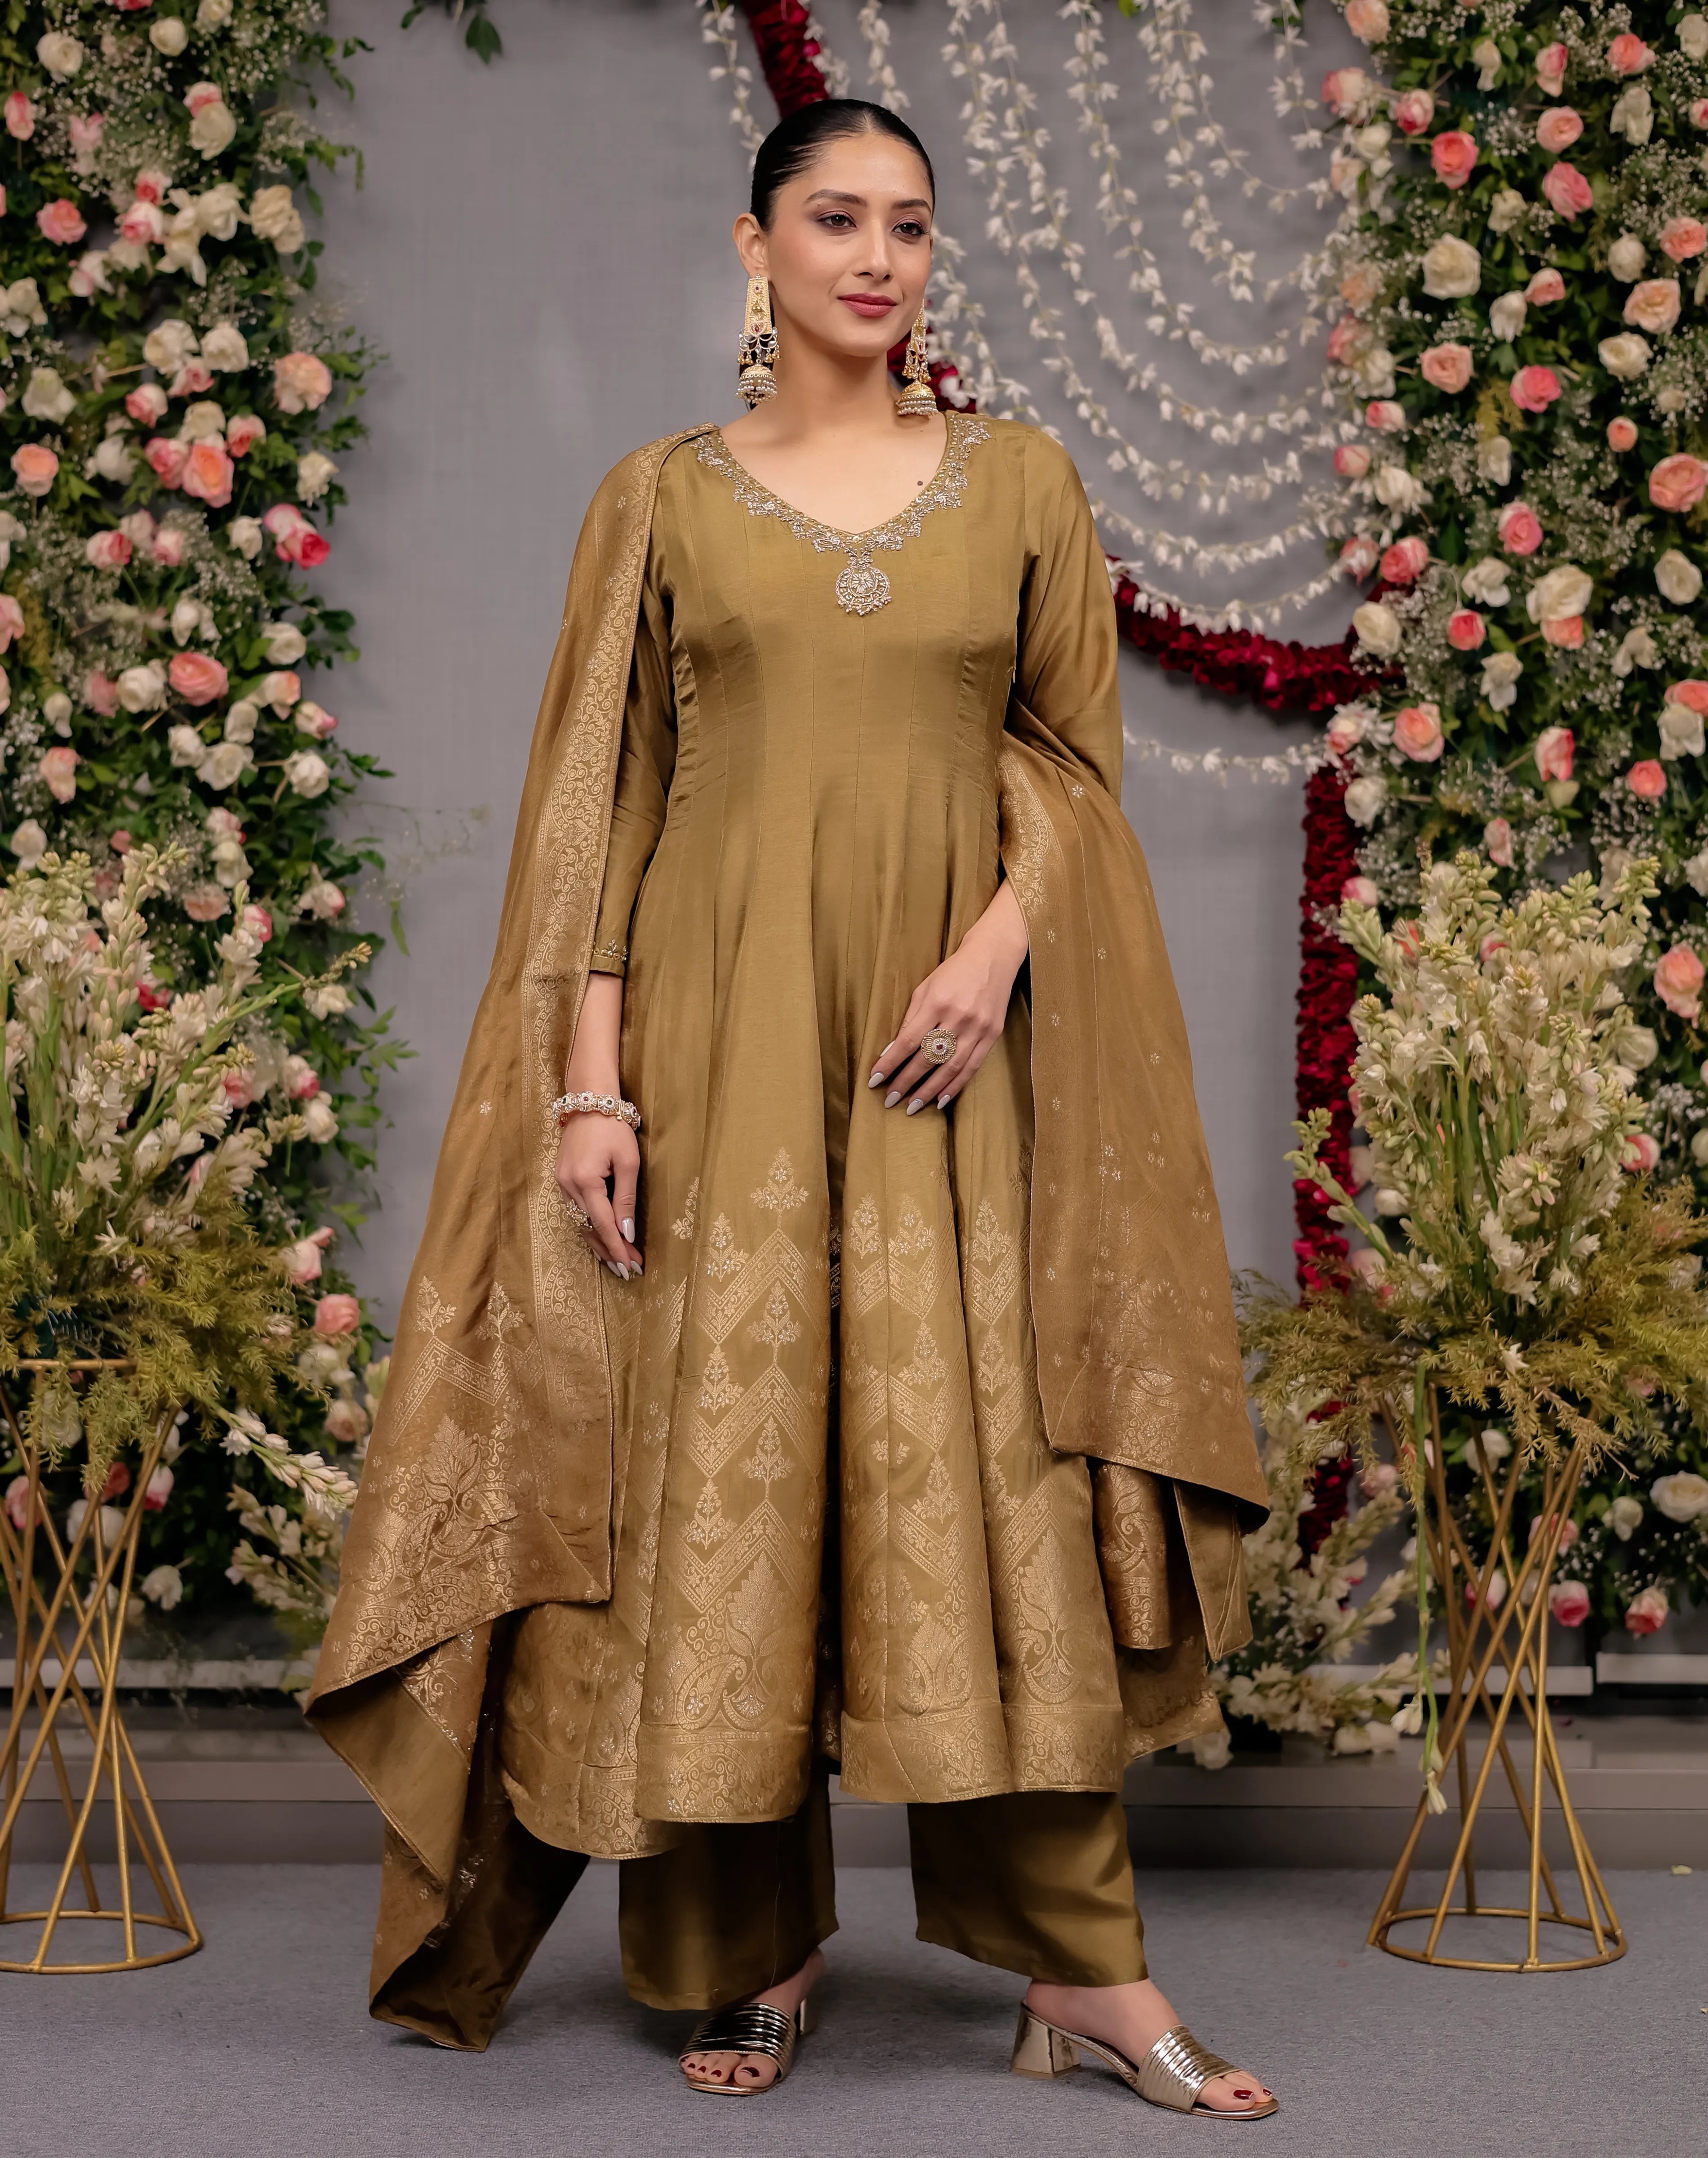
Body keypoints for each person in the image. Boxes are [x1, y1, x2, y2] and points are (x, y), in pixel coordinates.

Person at [307, 98, 1275, 2122]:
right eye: (834, 219)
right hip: (713, 1042)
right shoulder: (658, 498)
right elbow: (596, 809)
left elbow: (1074, 771)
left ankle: (1077, 1971)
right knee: (721, 1482)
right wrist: (591, 1089)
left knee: (984, 1476)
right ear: (755, 248)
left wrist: (1001, 947)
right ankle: (742, 1946)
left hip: (950, 1055)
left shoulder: (1019, 481)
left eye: (908, 226)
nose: (876, 257)